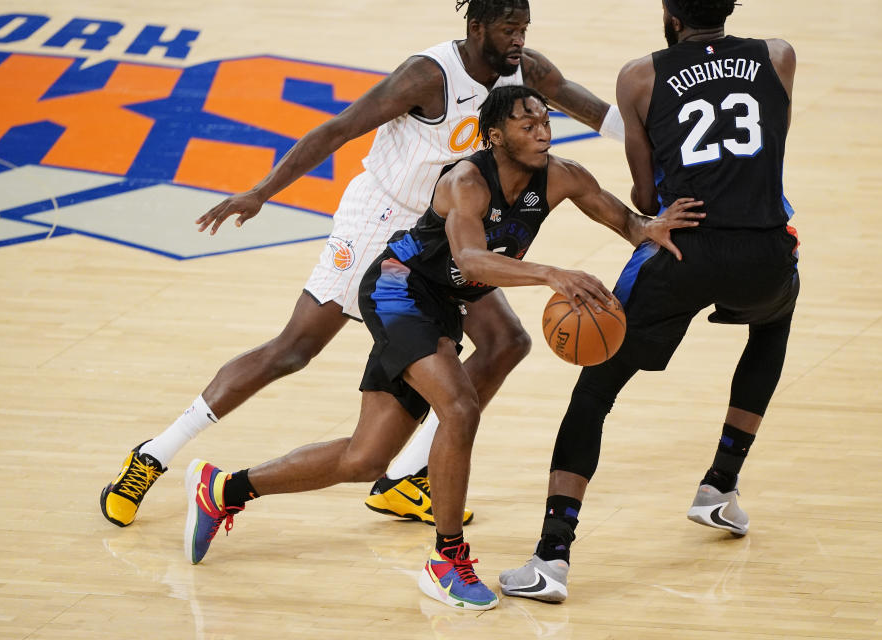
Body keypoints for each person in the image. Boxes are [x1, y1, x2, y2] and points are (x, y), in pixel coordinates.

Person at [99, 0, 631, 529]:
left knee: (505, 342)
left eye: (524, 29)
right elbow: (338, 129)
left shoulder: (525, 70)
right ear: (477, 28)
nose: (519, 39)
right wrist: (262, 192)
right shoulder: (428, 75)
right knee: (294, 350)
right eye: (509, 29)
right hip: (381, 221)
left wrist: (656, 141)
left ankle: (406, 477)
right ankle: (153, 455)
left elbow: (590, 109)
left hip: (444, 231)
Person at [180, 85, 704, 611]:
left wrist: (655, 228)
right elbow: (473, 261)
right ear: (495, 136)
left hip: (446, 300)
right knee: (458, 407)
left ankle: (223, 489)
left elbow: (628, 223)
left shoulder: (564, 174)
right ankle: (447, 560)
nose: (543, 131)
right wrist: (551, 274)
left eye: (545, 121)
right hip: (399, 290)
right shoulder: (465, 181)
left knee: (365, 458)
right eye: (528, 124)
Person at [499, 0, 800, 603]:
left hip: (681, 246)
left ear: (669, 15)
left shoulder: (641, 76)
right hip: (765, 246)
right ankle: (720, 486)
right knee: (773, 323)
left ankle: (552, 557)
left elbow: (643, 191)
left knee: (595, 389)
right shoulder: (778, 55)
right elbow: (769, 149)